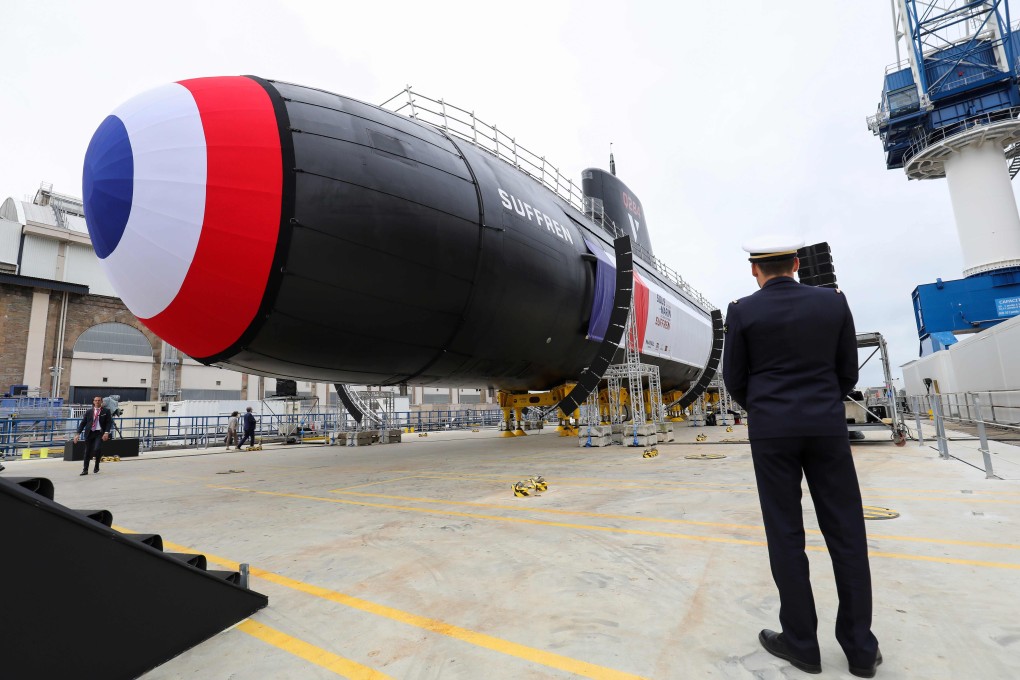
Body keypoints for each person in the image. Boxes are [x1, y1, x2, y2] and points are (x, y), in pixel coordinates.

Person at [722, 237, 881, 678]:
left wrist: (766, 408)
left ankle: (802, 644)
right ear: (796, 264)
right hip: (826, 427)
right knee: (847, 532)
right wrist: (822, 402)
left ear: (754, 269)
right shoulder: (833, 303)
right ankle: (860, 648)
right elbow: (847, 370)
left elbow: (734, 378)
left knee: (785, 534)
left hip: (772, 431)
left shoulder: (742, 311)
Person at [74, 396, 113, 476]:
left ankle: (97, 465)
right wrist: (77, 434)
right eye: (95, 400)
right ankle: (85, 470)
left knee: (97, 449)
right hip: (89, 433)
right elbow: (83, 423)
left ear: (101, 401)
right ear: (93, 402)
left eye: (99, 400)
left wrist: (106, 432)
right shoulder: (89, 412)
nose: (97, 402)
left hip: (99, 433)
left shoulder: (106, 411)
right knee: (87, 451)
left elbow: (109, 423)